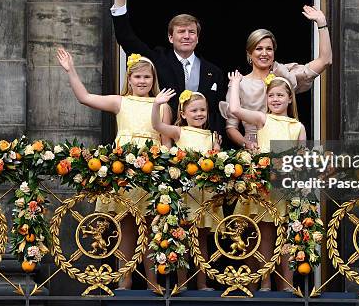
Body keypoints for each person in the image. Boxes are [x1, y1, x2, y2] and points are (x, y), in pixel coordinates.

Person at [57, 48, 170, 289]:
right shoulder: (121, 101)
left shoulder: (162, 105)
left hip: (151, 170)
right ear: (129, 79)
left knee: (151, 229)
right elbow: (85, 97)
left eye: (147, 77)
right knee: (126, 227)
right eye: (137, 77)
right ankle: (123, 281)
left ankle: (153, 282)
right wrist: (72, 71)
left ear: (153, 80)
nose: (142, 81)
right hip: (124, 171)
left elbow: (167, 142)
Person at [111, 0, 225, 136]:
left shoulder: (213, 71)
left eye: (191, 32)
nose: (187, 36)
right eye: (181, 32)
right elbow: (126, 38)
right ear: (171, 38)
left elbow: (216, 114)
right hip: (163, 141)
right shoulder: (157, 59)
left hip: (202, 147)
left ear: (197, 38)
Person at [228, 71, 306, 291]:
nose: (276, 99)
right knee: (264, 237)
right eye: (271, 95)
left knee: (288, 238)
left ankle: (287, 284)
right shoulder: (263, 118)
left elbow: (301, 160)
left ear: (290, 98)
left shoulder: (297, 126)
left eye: (281, 95)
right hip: (264, 189)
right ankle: (264, 282)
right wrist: (235, 84)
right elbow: (234, 110)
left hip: (287, 191)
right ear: (266, 99)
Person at [219, 5, 332, 149]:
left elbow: (325, 60)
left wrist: (322, 23)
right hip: (254, 150)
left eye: (269, 49)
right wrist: (247, 144)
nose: (264, 53)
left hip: (285, 146)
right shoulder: (239, 83)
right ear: (249, 53)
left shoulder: (284, 75)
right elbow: (231, 127)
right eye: (259, 49)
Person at [151, 88, 223, 291]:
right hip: (184, 194)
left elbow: (214, 165)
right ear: (183, 114)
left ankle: (202, 283)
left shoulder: (212, 135)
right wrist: (157, 104)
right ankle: (182, 282)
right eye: (194, 110)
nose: (199, 114)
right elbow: (157, 125)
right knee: (180, 237)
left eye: (202, 110)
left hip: (204, 195)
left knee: (201, 240)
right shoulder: (179, 131)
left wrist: (216, 152)